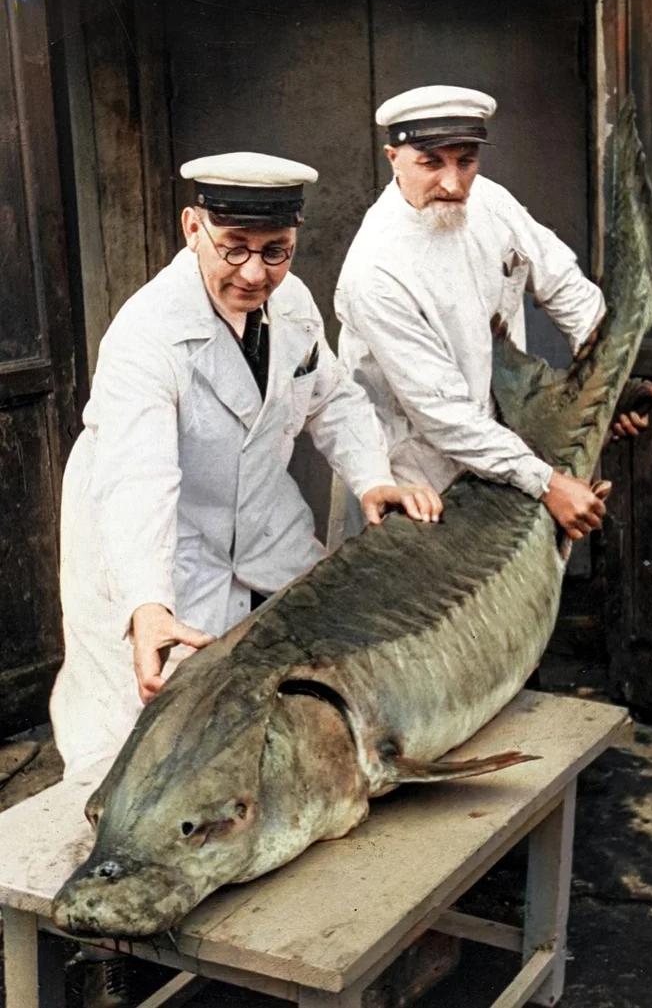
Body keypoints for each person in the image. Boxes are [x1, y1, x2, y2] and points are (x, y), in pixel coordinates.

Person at [51, 151, 442, 782]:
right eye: (234, 248)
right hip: (153, 542)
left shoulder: (294, 307)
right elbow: (137, 478)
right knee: (137, 736)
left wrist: (373, 476)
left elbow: (332, 397)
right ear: (192, 227)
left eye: (276, 251)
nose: (255, 273)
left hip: (259, 526)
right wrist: (149, 603)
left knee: (297, 689)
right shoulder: (145, 334)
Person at [336, 85, 652, 541]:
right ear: (394, 158)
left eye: (465, 160)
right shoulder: (375, 271)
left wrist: (612, 387)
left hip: (502, 452)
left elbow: (566, 286)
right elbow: (442, 414)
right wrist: (546, 481)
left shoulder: (488, 200)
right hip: (413, 474)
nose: (453, 183)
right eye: (431, 163)